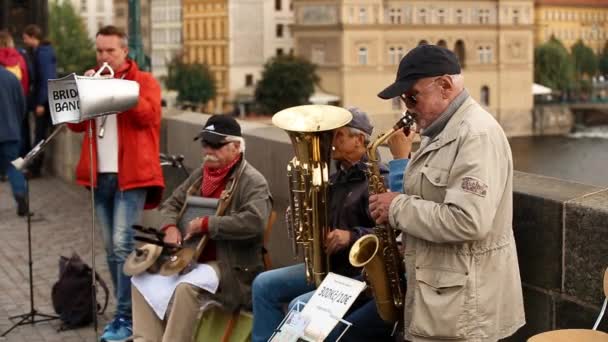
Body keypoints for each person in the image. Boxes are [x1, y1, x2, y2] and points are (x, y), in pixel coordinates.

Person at [371, 44, 525, 341]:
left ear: (444, 86)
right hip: (445, 300)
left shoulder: (476, 135)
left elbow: (469, 220)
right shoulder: (441, 130)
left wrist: (397, 208)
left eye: (412, 97)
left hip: (464, 310)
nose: (407, 108)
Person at [131, 114, 273, 342]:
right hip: (192, 258)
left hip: (231, 266)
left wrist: (207, 224)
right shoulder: (201, 174)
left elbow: (255, 223)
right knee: (142, 278)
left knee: (185, 288)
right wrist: (169, 227)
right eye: (206, 143)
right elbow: (171, 204)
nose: (208, 150)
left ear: (236, 146)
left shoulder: (253, 181)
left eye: (216, 145)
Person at [252, 107, 385, 342]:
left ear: (359, 140)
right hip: (329, 267)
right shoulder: (332, 180)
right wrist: (303, 218)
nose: (330, 141)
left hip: (356, 277)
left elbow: (389, 235)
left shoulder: (378, 179)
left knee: (299, 306)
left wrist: (351, 237)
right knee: (263, 284)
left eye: (338, 135)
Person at [66, 25, 164, 342]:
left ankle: (126, 316)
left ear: (125, 51)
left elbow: (147, 116)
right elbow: (74, 126)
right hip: (100, 175)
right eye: (99, 51)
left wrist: (116, 90)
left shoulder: (143, 81)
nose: (104, 56)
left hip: (131, 175)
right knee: (110, 248)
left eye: (110, 50)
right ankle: (126, 310)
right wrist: (84, 90)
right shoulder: (94, 79)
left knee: (124, 245)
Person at [22, 24, 56, 177]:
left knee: (39, 136)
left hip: (44, 101)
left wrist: (41, 103)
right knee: (40, 135)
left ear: (32, 37)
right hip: (44, 99)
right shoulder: (42, 51)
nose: (24, 41)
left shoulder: (42, 53)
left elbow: (46, 79)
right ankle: (34, 167)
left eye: (25, 38)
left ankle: (35, 169)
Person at [0, 65, 27, 216]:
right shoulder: (11, 77)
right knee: (14, 167)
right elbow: (21, 105)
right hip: (10, 132)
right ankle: (20, 195)